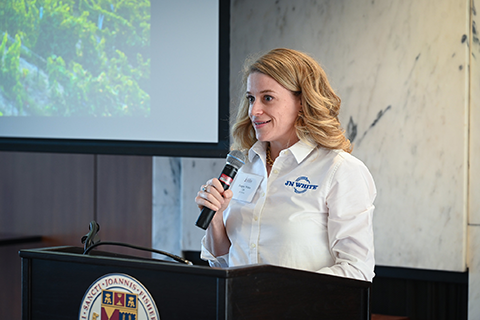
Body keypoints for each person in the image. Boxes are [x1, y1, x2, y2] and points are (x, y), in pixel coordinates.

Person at [195, 48, 376, 282]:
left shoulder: (340, 170)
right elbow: (224, 264)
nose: (254, 110)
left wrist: (282, 296)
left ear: (301, 101)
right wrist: (217, 218)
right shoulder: (245, 166)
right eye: (251, 98)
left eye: (267, 98)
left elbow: (356, 270)